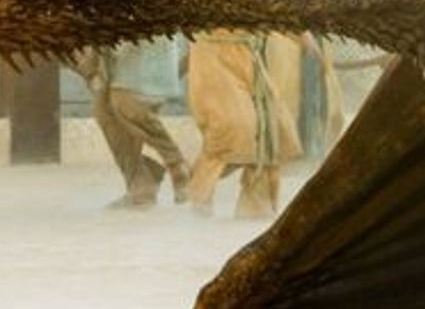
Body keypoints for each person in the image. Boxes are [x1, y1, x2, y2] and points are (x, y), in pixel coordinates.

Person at [186, 29, 303, 218]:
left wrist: (301, 32)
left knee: (272, 125)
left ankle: (255, 205)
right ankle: (200, 192)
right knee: (234, 127)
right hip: (213, 55)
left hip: (247, 54)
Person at [74, 38, 191, 209]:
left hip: (146, 47)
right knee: (104, 111)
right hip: (115, 51)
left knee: (125, 103)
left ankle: (177, 164)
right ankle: (140, 182)